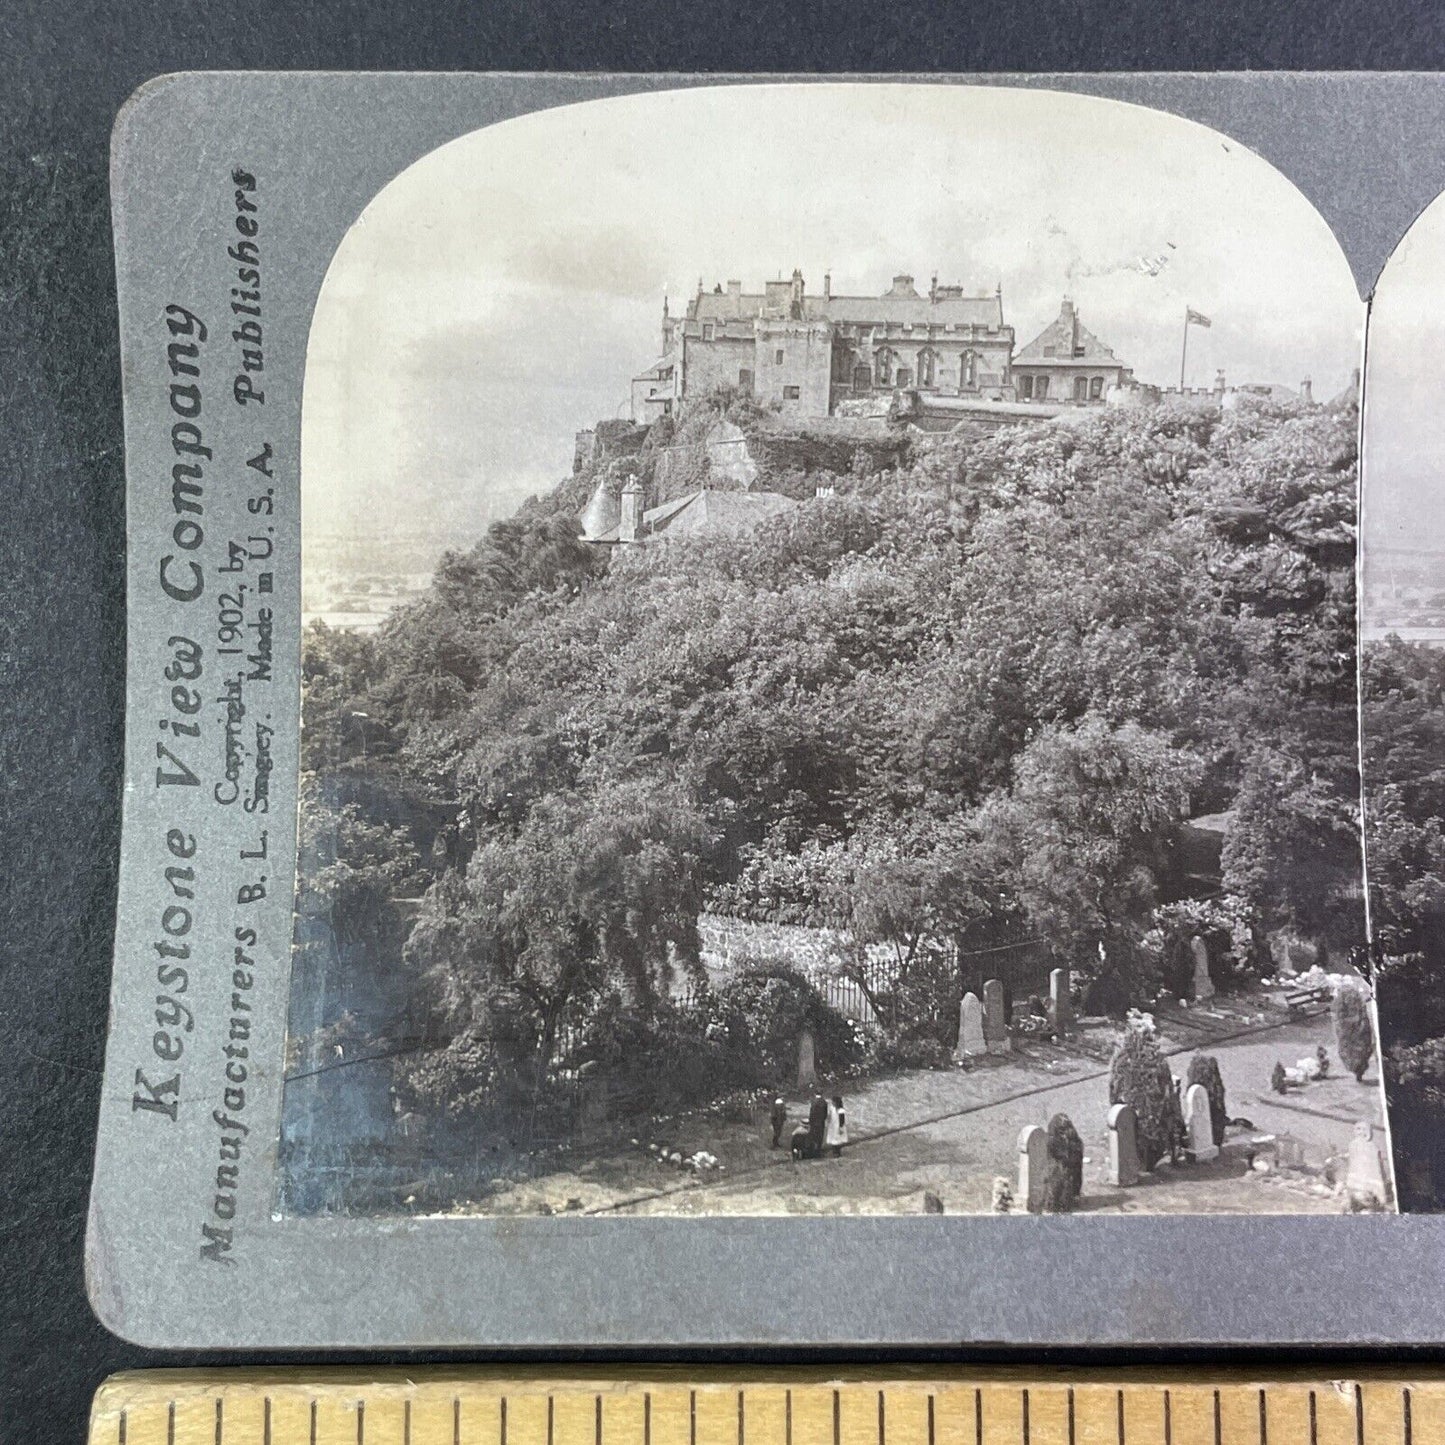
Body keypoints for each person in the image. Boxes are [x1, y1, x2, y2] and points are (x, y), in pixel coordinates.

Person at [826, 1093, 848, 1158]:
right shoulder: (832, 1108)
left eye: (833, 1102)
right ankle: (834, 1151)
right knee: (833, 1138)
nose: (832, 1103)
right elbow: (829, 1115)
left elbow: (842, 1120)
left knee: (838, 1139)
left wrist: (841, 1128)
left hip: (838, 1126)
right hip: (833, 1125)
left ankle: (837, 1151)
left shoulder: (841, 1110)